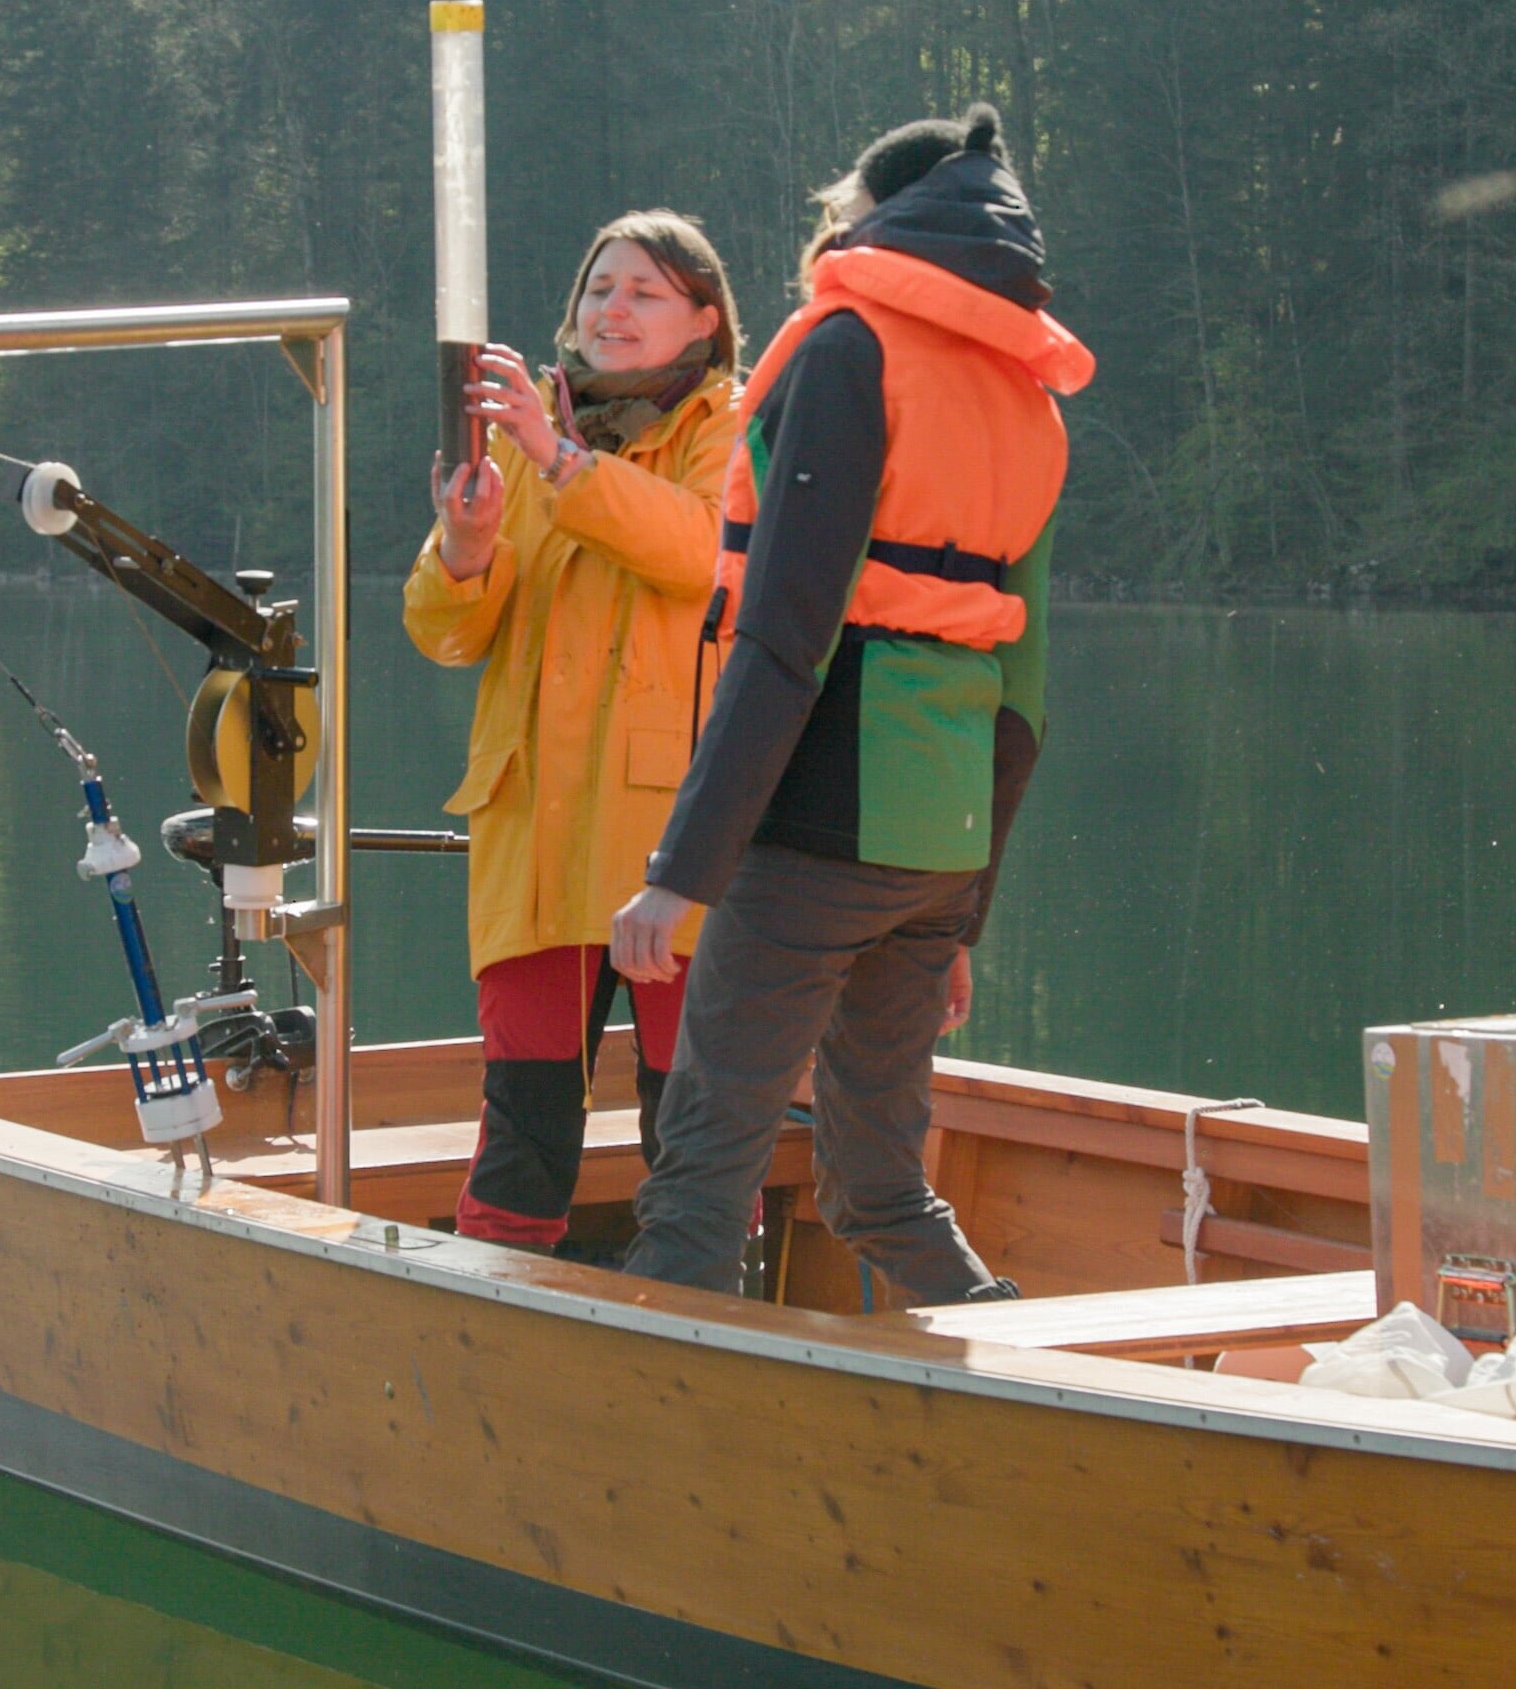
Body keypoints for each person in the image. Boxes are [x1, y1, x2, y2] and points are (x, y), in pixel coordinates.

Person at [608, 103, 1090, 1305]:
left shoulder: (847, 350)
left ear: (881, 215)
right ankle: (1011, 1381)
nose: (827, 228)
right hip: (940, 835)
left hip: (825, 817)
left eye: (839, 210)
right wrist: (963, 908)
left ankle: (658, 1437)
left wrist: (684, 869)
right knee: (878, 1186)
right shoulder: (1024, 392)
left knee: (700, 1172)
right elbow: (1022, 687)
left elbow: (785, 636)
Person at [404, 212, 742, 1252]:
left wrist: (561, 463)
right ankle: (490, 1337)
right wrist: (464, 549)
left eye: (644, 291)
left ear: (705, 319)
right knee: (521, 1130)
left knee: (692, 1129)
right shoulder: (519, 439)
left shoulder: (732, 426)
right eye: (600, 290)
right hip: (537, 841)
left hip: (674, 849)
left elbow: (698, 554)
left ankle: (713, 1337)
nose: (613, 309)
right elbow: (445, 634)